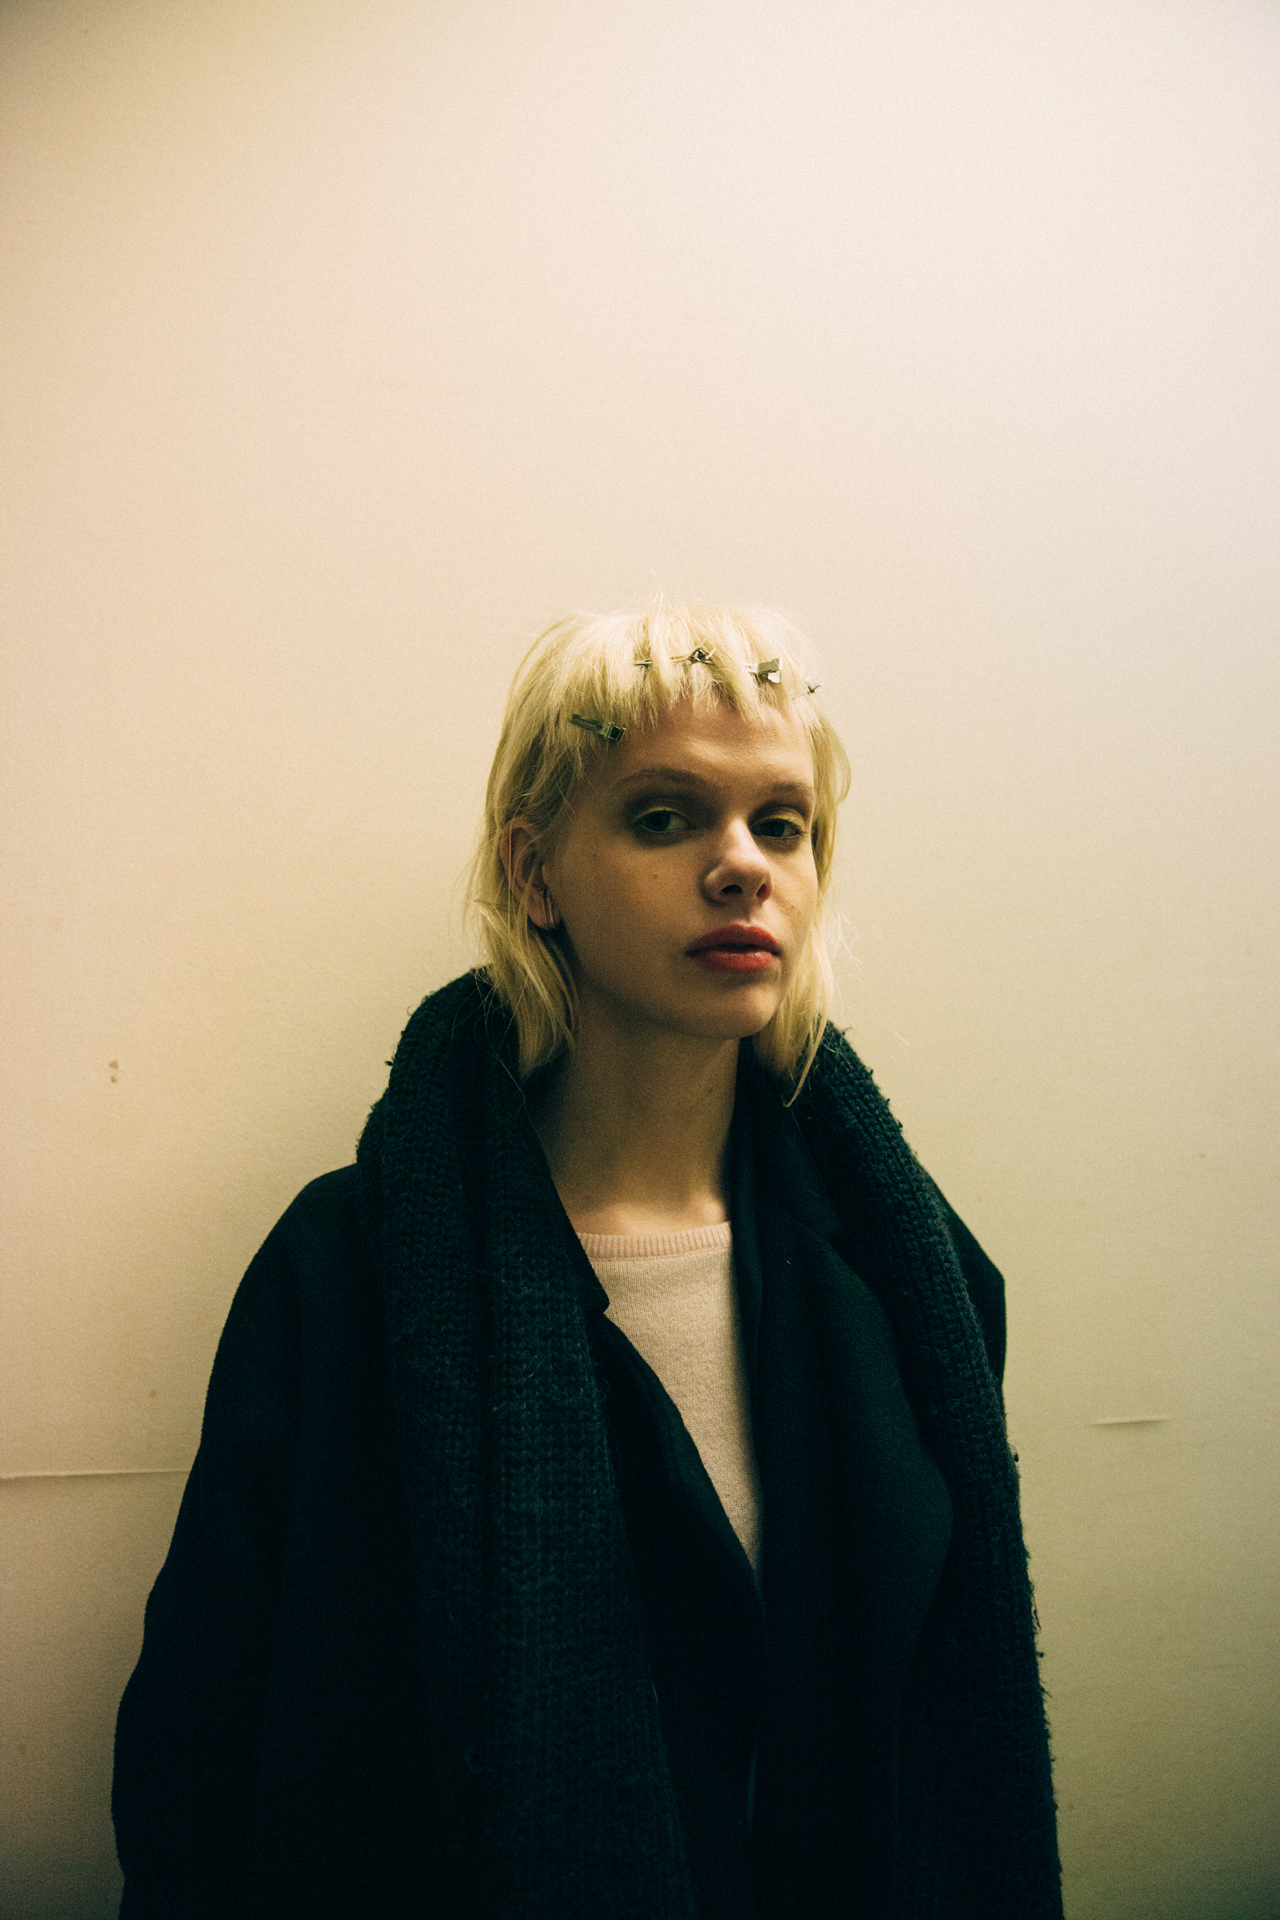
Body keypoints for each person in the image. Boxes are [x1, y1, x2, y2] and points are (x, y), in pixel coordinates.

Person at [112, 603, 1062, 1918]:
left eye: (782, 824)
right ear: (535, 873)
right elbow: (203, 1756)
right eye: (665, 818)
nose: (742, 867)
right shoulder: (345, 1279)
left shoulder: (914, 1278)